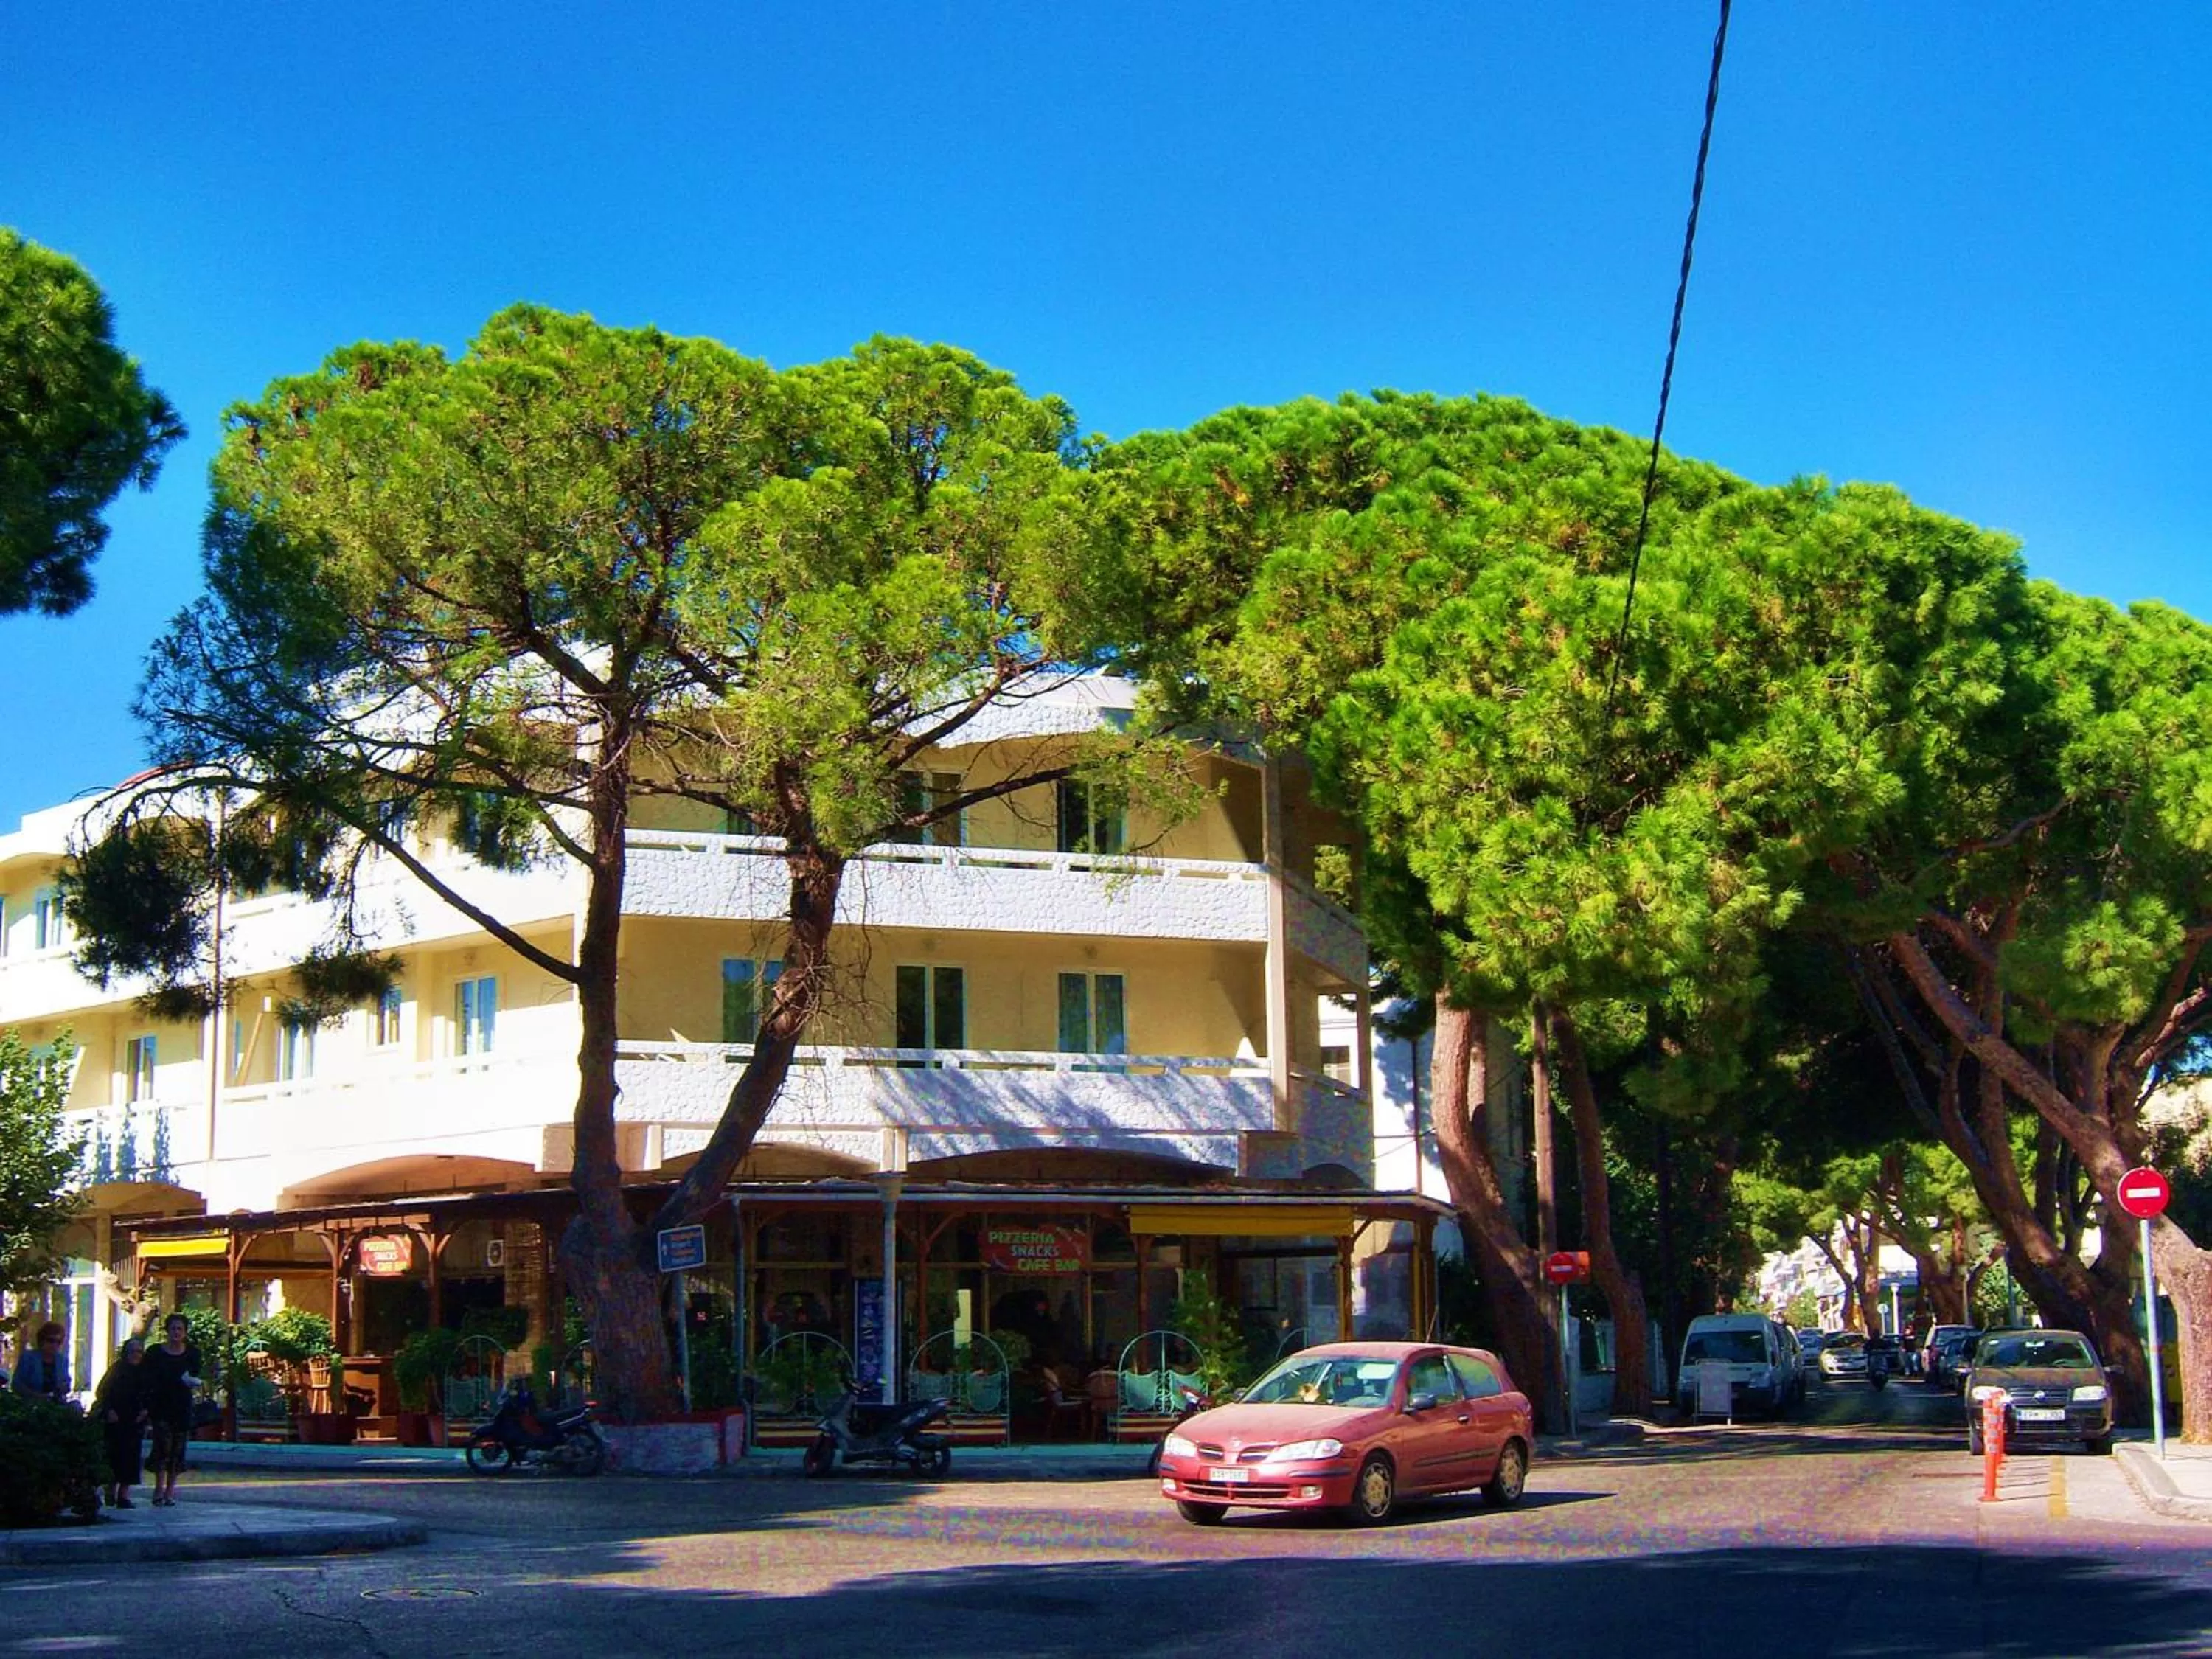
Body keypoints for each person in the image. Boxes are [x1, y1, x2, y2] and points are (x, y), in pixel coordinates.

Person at [142, 1314, 204, 1507]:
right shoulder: (155, 1353)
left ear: (185, 1332)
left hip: (182, 1406)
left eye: (180, 1329)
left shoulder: (192, 1353)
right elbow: (147, 1379)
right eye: (173, 1328)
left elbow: (196, 1376)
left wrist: (193, 1382)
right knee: (162, 1447)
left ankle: (171, 1491)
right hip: (160, 1406)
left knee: (178, 1449)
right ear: (167, 1330)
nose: (176, 1332)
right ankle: (158, 1489)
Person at [93, 1338, 150, 1509]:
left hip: (135, 1420)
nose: (136, 1355)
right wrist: (109, 1410)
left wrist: (145, 1411)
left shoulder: (144, 1372)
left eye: (139, 1351)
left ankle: (123, 1495)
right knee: (113, 1456)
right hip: (115, 1419)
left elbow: (151, 1394)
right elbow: (102, 1391)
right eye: (133, 1351)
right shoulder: (117, 1369)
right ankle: (110, 1490)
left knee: (131, 1459)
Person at [10, 1322, 71, 1402]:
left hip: (55, 1404)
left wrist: (64, 1388)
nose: (54, 1345)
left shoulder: (62, 1361)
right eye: (51, 1341)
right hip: (29, 1404)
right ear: (42, 1340)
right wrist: (37, 1397)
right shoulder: (28, 1358)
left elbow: (66, 1382)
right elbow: (17, 1385)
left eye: (59, 1342)